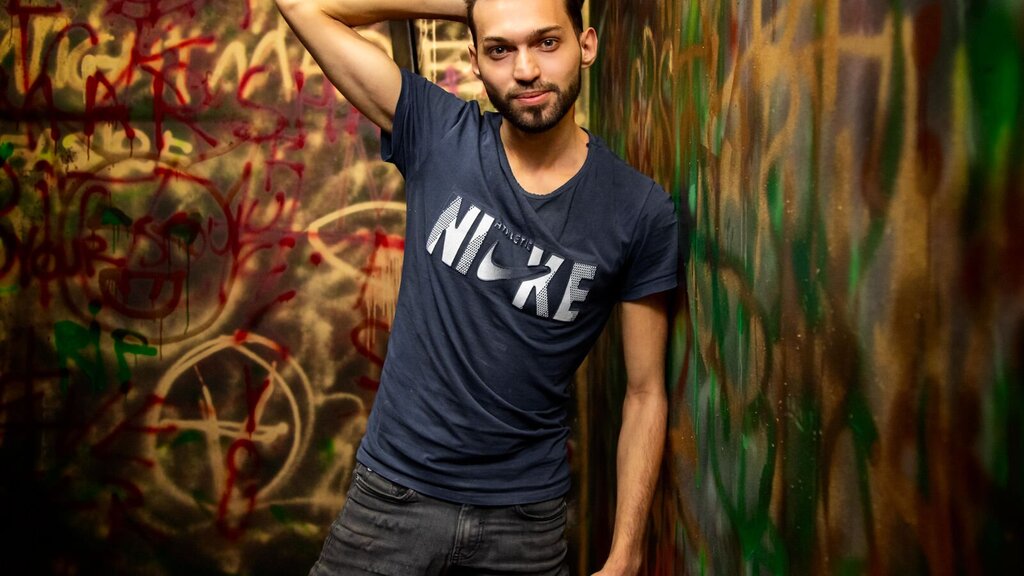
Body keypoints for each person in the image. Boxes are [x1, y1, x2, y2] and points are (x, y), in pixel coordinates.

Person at [274, 0, 678, 574]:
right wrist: (473, 2)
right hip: (394, 499)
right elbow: (304, 5)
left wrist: (626, 554)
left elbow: (644, 393)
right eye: (500, 49)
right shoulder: (438, 133)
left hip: (525, 524)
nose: (526, 70)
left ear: (586, 45)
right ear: (475, 60)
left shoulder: (639, 210)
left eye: (546, 42)